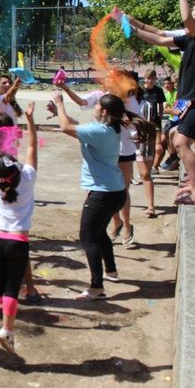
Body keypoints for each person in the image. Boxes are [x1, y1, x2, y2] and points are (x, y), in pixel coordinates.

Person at [127, 0, 195, 204]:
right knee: (176, 138)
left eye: (193, 16)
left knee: (182, 142)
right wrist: (132, 29)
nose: (188, 20)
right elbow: (159, 38)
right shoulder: (190, 38)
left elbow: (185, 20)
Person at [53, 92, 130, 299]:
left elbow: (66, 128)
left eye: (96, 105)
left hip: (103, 194)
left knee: (88, 237)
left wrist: (60, 104)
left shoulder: (101, 131)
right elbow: (77, 126)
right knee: (99, 232)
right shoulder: (109, 128)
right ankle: (111, 271)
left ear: (104, 111)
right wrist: (60, 113)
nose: (94, 107)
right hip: (115, 192)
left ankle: (97, 287)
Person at [54, 71, 142, 248]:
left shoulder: (128, 99)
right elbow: (82, 102)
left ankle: (126, 226)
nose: (107, 79)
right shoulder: (101, 96)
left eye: (111, 77)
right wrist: (65, 88)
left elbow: (136, 122)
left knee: (122, 190)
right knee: (105, 189)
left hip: (123, 150)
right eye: (106, 77)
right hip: (103, 148)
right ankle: (115, 221)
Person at [0, 104, 37, 353]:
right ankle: (7, 330)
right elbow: (32, 147)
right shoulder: (28, 177)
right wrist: (30, 121)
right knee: (11, 289)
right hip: (17, 240)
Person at [135, 70, 164, 217]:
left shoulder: (158, 92)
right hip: (136, 135)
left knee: (146, 173)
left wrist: (158, 128)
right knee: (142, 173)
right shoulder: (138, 93)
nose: (149, 81)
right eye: (147, 78)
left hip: (149, 133)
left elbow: (160, 110)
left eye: (152, 78)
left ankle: (151, 205)